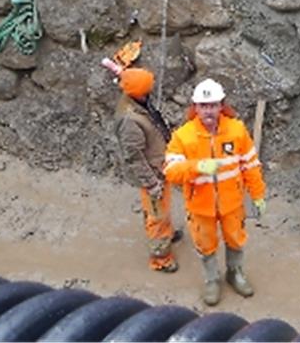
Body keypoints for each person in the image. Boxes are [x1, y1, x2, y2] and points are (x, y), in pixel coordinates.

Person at [164, 78, 266, 306]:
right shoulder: (183, 136)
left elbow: (250, 165)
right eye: (203, 105)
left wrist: (258, 194)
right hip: (200, 206)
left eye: (213, 105)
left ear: (222, 105)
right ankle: (212, 280)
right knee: (204, 243)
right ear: (195, 108)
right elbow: (171, 171)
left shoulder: (237, 131)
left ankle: (235, 273)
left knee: (236, 239)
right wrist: (196, 167)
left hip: (232, 203)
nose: (208, 111)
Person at [113, 67, 179, 274]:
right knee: (156, 215)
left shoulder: (137, 102)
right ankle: (161, 258)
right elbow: (134, 156)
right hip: (152, 174)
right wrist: (151, 183)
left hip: (158, 166)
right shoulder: (130, 121)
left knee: (161, 207)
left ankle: (166, 234)